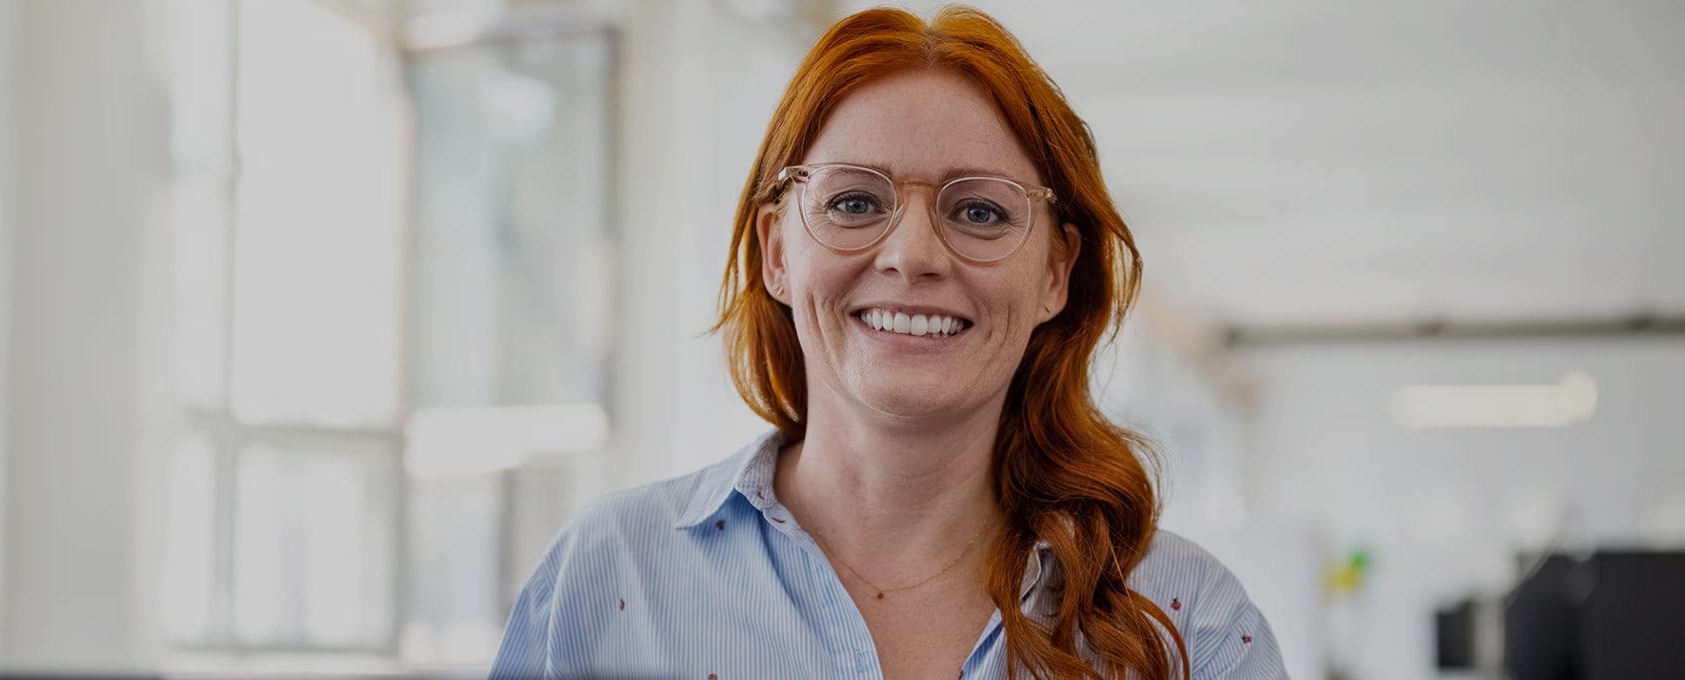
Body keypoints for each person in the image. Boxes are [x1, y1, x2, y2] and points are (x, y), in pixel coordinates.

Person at [491, 6, 1287, 679]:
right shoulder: (609, 578)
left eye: (979, 211)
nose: (912, 255)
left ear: (1056, 271)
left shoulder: (1191, 627)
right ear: (776, 251)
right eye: (854, 201)